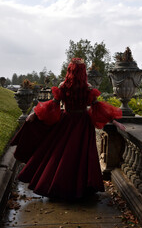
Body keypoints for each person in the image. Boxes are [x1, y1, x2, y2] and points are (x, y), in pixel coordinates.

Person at [10, 58, 125, 200]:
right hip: (83, 124)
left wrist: (35, 114)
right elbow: (98, 107)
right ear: (83, 72)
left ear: (69, 70)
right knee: (79, 155)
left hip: (67, 121)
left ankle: (59, 187)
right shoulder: (87, 88)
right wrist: (114, 121)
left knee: (62, 154)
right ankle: (80, 189)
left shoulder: (63, 86)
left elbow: (53, 104)